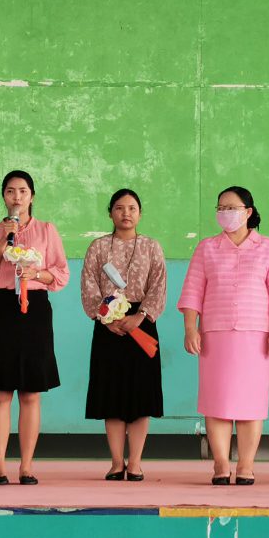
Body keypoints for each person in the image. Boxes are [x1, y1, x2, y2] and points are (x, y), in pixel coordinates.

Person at [177, 186, 269, 486]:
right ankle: (220, 464)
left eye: (231, 207)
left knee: (251, 404)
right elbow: (192, 291)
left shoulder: (268, 247)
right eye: (221, 208)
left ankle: (245, 465)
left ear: (248, 211)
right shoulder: (207, 248)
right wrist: (191, 328)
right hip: (215, 336)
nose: (225, 213)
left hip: (256, 336)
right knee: (216, 403)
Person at [0, 170, 69, 485]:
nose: (17, 197)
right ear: (4, 196)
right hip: (1, 309)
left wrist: (36, 273)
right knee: (0, 391)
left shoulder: (46, 230)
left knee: (31, 393)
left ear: (32, 196)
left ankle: (26, 467)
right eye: (11, 191)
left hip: (35, 309)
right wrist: (5, 239)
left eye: (23, 191)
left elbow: (61, 273)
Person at [81, 189, 167, 482]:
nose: (126, 213)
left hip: (142, 323)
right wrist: (106, 319)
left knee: (141, 396)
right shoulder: (98, 247)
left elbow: (158, 285)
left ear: (140, 213)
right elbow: (89, 284)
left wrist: (139, 317)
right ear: (110, 213)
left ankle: (136, 463)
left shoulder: (152, 247)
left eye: (132, 208)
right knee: (112, 396)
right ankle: (117, 463)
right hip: (108, 326)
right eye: (119, 208)